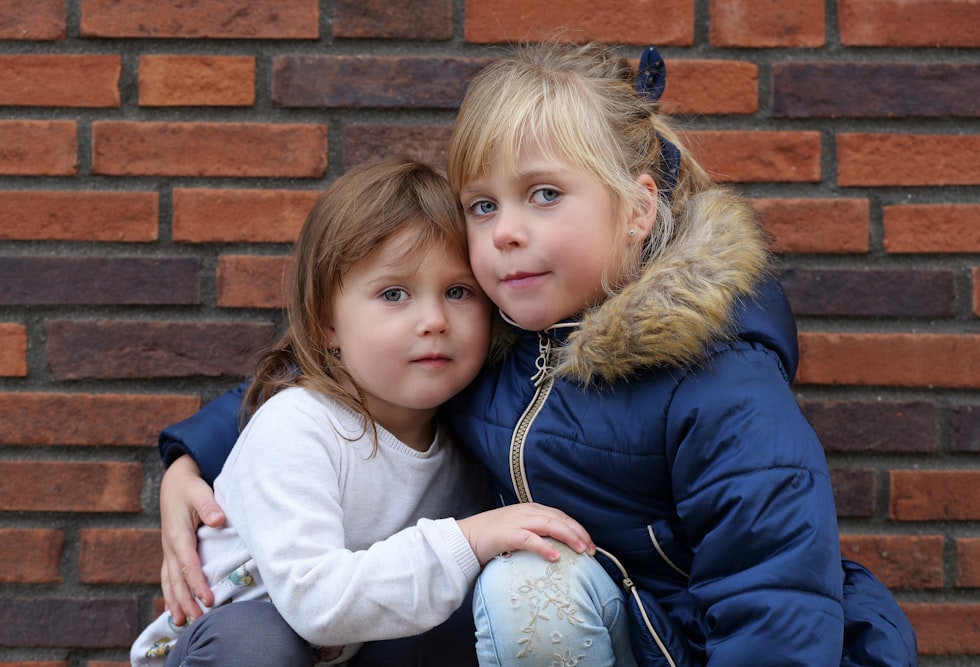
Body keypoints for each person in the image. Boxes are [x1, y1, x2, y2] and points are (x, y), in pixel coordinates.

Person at [156, 43, 918, 666]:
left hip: (705, 648)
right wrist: (192, 461)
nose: (505, 232)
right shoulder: (494, 334)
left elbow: (774, 592)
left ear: (638, 208)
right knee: (519, 581)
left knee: (527, 582)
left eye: (544, 195)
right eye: (483, 206)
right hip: (567, 632)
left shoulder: (719, 381)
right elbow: (345, 383)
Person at [132, 158, 594, 667]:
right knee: (260, 641)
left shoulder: (474, 429)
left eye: (458, 292)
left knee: (476, 600)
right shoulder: (298, 425)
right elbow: (317, 604)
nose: (434, 320)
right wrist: (470, 537)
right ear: (327, 322)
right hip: (231, 647)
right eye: (394, 294)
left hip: (355, 650)